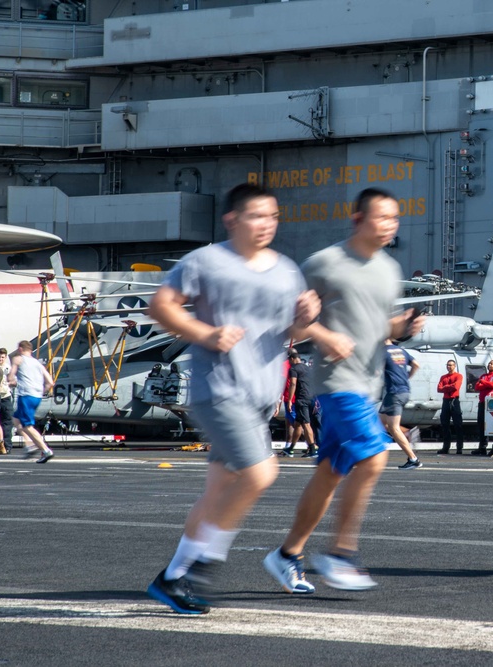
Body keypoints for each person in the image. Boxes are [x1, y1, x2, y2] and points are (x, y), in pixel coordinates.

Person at [145, 183, 318, 614]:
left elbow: (290, 334)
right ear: (233, 219)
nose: (267, 224)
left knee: (218, 492)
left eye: (274, 216)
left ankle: (172, 578)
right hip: (220, 390)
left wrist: (305, 320)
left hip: (261, 395)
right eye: (258, 215)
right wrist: (207, 334)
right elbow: (161, 305)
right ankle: (203, 568)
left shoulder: (286, 270)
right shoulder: (206, 261)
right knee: (261, 474)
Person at [264, 187, 424, 593]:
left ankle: (286, 555)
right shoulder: (323, 264)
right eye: (382, 217)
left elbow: (374, 326)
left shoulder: (388, 269)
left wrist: (401, 327)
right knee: (372, 459)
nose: (391, 225)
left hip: (369, 385)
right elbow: (290, 322)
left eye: (395, 218)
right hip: (337, 383)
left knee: (329, 475)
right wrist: (324, 335)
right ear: (357, 220)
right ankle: (341, 553)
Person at [7, 340, 56, 463]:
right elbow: (50, 382)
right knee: (16, 419)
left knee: (28, 426)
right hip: (37, 396)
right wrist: (41, 391)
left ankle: (45, 450)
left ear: (20, 349)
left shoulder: (18, 359)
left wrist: (11, 381)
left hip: (26, 395)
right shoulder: (38, 363)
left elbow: (11, 376)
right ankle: (29, 444)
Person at [381, 338, 422, 470]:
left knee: (393, 427)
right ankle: (408, 433)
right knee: (379, 421)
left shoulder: (382, 352)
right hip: (402, 391)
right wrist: (406, 377)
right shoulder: (401, 351)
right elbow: (416, 364)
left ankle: (413, 459)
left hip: (394, 393)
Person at [285, 351, 317, 458]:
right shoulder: (308, 369)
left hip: (301, 399)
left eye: (290, 360)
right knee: (298, 423)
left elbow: (293, 383)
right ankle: (290, 448)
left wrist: (290, 400)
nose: (290, 363)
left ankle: (312, 449)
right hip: (311, 397)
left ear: (293, 358)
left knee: (306, 424)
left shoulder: (293, 369)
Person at [471, 360, 493, 456]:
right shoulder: (483, 375)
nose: (489, 365)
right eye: (489, 363)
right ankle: (482, 447)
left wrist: (483, 382)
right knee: (481, 424)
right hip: (482, 402)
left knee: (492, 424)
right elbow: (477, 386)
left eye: (492, 363)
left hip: (491, 402)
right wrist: (485, 384)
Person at [436, 359, 464, 455]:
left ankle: (459, 448)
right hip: (446, 401)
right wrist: (449, 387)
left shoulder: (459, 376)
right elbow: (439, 389)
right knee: (445, 425)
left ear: (454, 366)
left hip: (454, 401)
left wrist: (445, 387)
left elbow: (456, 387)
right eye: (448, 365)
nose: (449, 367)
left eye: (451, 365)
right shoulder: (443, 377)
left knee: (458, 425)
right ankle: (445, 447)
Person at [0, 348, 19, 453]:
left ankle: (7, 445)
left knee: (7, 422)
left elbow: (15, 382)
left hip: (5, 397)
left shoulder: (8, 369)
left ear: (5, 358)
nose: (0, 359)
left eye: (2, 357)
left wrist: (7, 383)